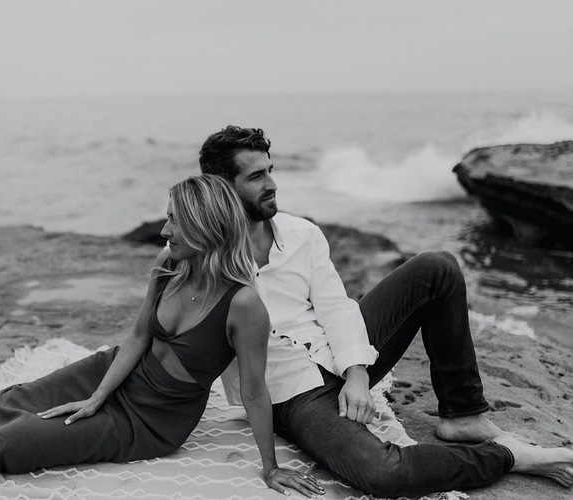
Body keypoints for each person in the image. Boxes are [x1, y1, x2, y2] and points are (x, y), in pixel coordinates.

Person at [199, 125, 573, 497]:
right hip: (291, 396)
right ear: (222, 189)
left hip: (337, 354)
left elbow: (335, 307)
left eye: (270, 170)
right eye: (256, 176)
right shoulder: (201, 261)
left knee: (436, 267)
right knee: (383, 475)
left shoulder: (301, 233)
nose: (271, 183)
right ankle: (507, 456)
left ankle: (463, 416)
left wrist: (356, 373)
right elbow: (171, 339)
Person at [0, 175, 322, 497]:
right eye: (167, 217)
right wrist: (97, 397)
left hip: (152, 418)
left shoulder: (244, 305)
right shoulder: (170, 263)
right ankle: (84, 407)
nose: (164, 230)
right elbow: (140, 335)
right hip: (118, 370)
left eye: (175, 221)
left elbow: (255, 392)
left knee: (12, 444)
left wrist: (271, 468)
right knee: (10, 401)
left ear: (206, 227)